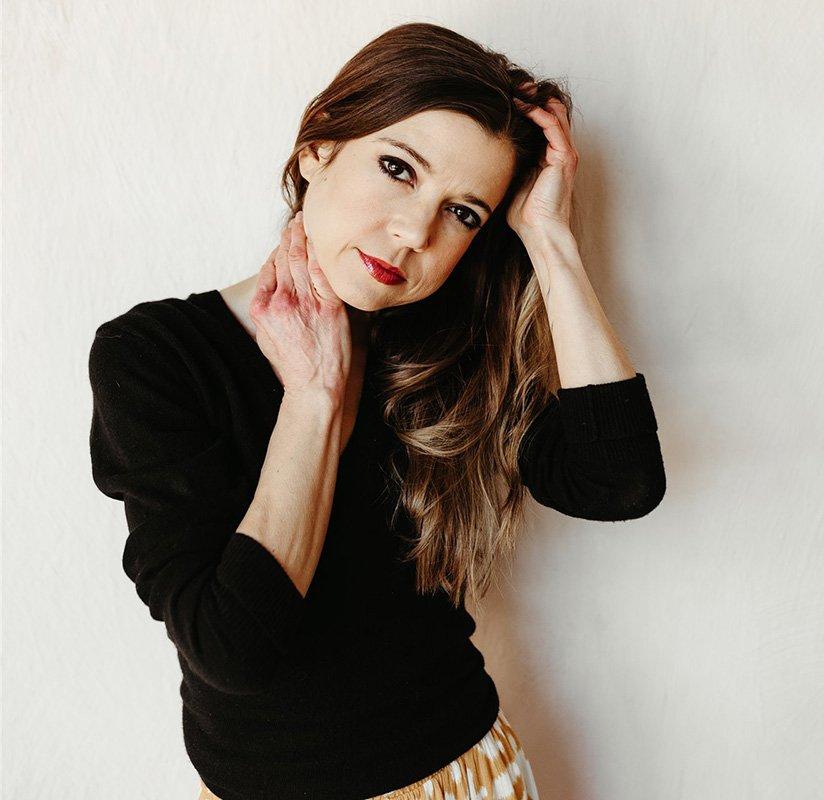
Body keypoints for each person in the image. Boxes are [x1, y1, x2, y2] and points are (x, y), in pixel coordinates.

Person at [87, 22, 665, 800]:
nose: (415, 231)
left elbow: (619, 482)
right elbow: (233, 648)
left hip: (460, 777)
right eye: (398, 168)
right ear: (317, 150)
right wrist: (317, 395)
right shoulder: (156, 356)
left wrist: (549, 238)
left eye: (464, 212)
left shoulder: (447, 347)